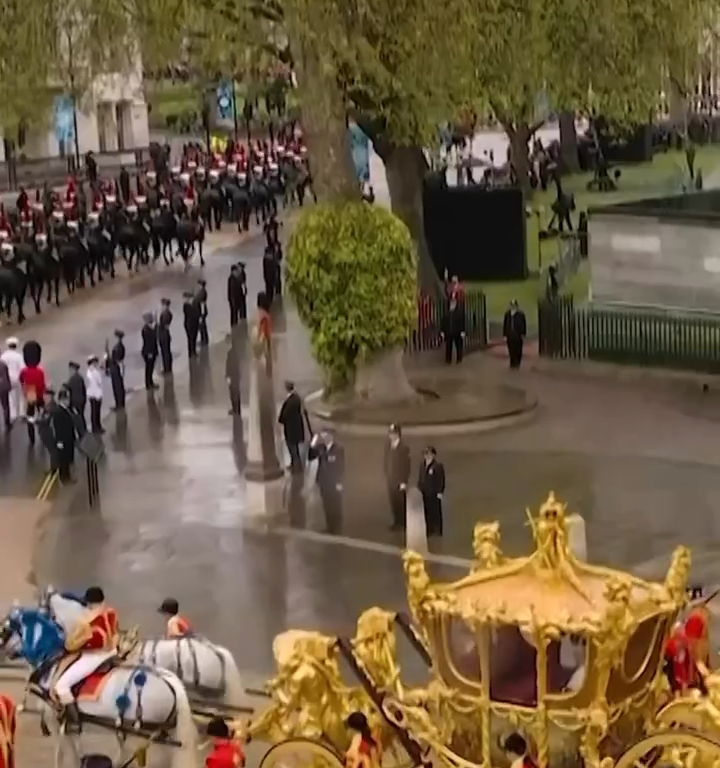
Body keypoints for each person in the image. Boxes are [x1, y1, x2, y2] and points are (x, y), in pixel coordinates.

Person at [54, 586, 119, 732]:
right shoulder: (111, 612)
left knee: (61, 687)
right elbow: (116, 634)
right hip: (112, 652)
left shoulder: (86, 620)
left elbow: (71, 645)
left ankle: (74, 722)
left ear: (89, 602)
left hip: (94, 656)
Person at [308, 428, 344, 534]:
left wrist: (339, 482)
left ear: (331, 437)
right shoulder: (320, 448)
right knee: (326, 505)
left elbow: (340, 466)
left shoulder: (338, 449)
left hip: (333, 482)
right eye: (323, 436)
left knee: (335, 504)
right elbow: (310, 456)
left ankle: (336, 525)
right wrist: (313, 442)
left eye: (326, 436)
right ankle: (329, 526)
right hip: (323, 481)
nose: (324, 438)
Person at [383, 423, 410, 531]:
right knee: (393, 501)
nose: (391, 436)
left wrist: (404, 481)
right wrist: (385, 472)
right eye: (390, 433)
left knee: (401, 502)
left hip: (399, 480)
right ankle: (396, 521)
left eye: (394, 433)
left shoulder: (403, 448)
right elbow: (386, 461)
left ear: (398, 434)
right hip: (390, 479)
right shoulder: (388, 446)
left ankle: (403, 522)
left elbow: (406, 466)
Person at [417, 446, 446, 537]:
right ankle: (429, 529)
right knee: (427, 511)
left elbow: (441, 480)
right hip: (424, 492)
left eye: (428, 454)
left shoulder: (437, 466)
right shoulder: (422, 465)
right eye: (425, 454)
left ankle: (437, 530)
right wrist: (419, 489)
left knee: (436, 512)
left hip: (434, 493)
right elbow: (420, 478)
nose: (426, 456)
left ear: (433, 455)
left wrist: (440, 491)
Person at [278, 381, 306, 473]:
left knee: (292, 447)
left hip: (291, 428)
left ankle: (297, 467)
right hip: (295, 427)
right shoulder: (296, 398)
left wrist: (281, 419)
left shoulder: (291, 400)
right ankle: (294, 464)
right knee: (294, 447)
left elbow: (286, 413)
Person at [54, 387, 78, 483]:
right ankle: (64, 478)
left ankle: (67, 476)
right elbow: (58, 427)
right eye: (67, 399)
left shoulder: (67, 409)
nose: (68, 401)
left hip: (69, 438)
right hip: (63, 439)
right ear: (62, 400)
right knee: (63, 461)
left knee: (67, 459)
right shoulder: (58, 411)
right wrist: (59, 441)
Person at [0, 338, 24, 424]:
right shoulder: (18, 356)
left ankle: (13, 414)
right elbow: (22, 368)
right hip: (17, 377)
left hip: (7, 378)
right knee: (20, 395)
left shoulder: (4, 356)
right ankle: (21, 413)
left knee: (10, 396)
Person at [503, 299, 527, 369]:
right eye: (512, 305)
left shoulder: (521, 315)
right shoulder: (507, 314)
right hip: (510, 335)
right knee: (511, 349)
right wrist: (505, 334)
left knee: (518, 349)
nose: (513, 307)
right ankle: (512, 363)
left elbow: (523, 324)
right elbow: (505, 325)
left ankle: (517, 363)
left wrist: (523, 334)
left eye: (514, 305)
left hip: (518, 335)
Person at [442, 294, 465, 364]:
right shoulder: (447, 313)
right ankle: (448, 359)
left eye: (453, 303)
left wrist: (462, 331)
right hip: (449, 332)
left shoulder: (459, 313)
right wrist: (442, 331)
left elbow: (462, 322)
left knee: (458, 346)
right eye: (451, 303)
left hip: (457, 332)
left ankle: (459, 359)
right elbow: (443, 322)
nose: (452, 305)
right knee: (448, 347)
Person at [107, 330, 126, 411]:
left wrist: (108, 361)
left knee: (117, 387)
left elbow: (115, 359)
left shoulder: (118, 347)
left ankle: (119, 404)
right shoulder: (120, 346)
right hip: (117, 368)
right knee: (120, 386)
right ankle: (121, 403)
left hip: (116, 369)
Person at [66, 361, 87, 432]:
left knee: (78, 420)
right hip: (81, 402)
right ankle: (84, 433)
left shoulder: (72, 379)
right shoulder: (80, 377)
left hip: (76, 403)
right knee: (81, 417)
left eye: (70, 369)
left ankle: (82, 434)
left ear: (73, 369)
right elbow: (84, 391)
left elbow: (69, 390)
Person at [85, 356, 104, 434]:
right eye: (95, 362)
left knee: (95, 412)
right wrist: (98, 396)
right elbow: (97, 383)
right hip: (95, 395)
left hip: (93, 394)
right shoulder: (93, 372)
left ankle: (96, 426)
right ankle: (96, 427)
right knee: (95, 412)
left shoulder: (91, 371)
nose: (96, 363)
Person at [141, 312, 159, 390]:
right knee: (149, 368)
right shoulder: (146, 330)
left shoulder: (149, 329)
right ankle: (148, 384)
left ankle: (150, 382)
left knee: (150, 368)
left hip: (151, 351)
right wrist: (150, 353)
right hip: (149, 352)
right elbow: (149, 342)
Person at [225, 334, 241, 416]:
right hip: (236, 376)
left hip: (233, 376)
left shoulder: (231, 353)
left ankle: (235, 408)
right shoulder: (234, 351)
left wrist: (228, 375)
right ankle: (237, 408)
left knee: (233, 393)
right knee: (236, 392)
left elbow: (230, 365)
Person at [158, 297, 173, 375]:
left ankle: (167, 369)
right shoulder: (168, 313)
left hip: (163, 335)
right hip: (166, 334)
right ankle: (168, 367)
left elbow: (163, 325)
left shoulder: (165, 314)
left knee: (165, 352)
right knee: (167, 351)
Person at [183, 291, 200, 359]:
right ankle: (191, 352)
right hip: (189, 325)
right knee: (190, 338)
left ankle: (194, 351)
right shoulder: (186, 306)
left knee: (194, 338)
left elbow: (197, 313)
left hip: (194, 324)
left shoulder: (194, 304)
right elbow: (190, 315)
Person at [196, 279, 209, 346]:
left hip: (201, 311)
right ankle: (203, 339)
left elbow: (202, 304)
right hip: (202, 311)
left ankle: (204, 340)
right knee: (202, 325)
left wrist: (201, 314)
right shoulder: (201, 292)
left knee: (202, 325)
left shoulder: (202, 293)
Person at [0, 358, 10, 432]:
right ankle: (7, 423)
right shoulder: (3, 364)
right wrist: (8, 386)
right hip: (3, 387)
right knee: (5, 405)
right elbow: (6, 376)